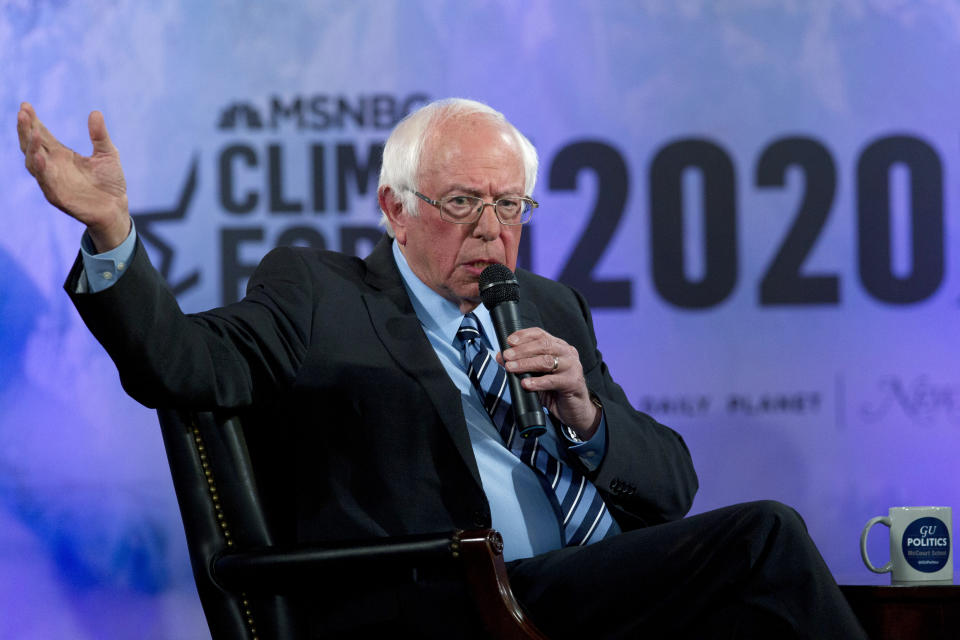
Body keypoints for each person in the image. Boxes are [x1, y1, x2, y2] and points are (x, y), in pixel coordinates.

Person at [17, 98, 866, 638]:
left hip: (593, 582)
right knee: (767, 540)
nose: (491, 229)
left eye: (509, 205)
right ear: (395, 209)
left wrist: (588, 417)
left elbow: (671, 488)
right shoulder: (318, 292)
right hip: (450, 596)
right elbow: (183, 366)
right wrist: (112, 236)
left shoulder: (547, 305)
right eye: (462, 203)